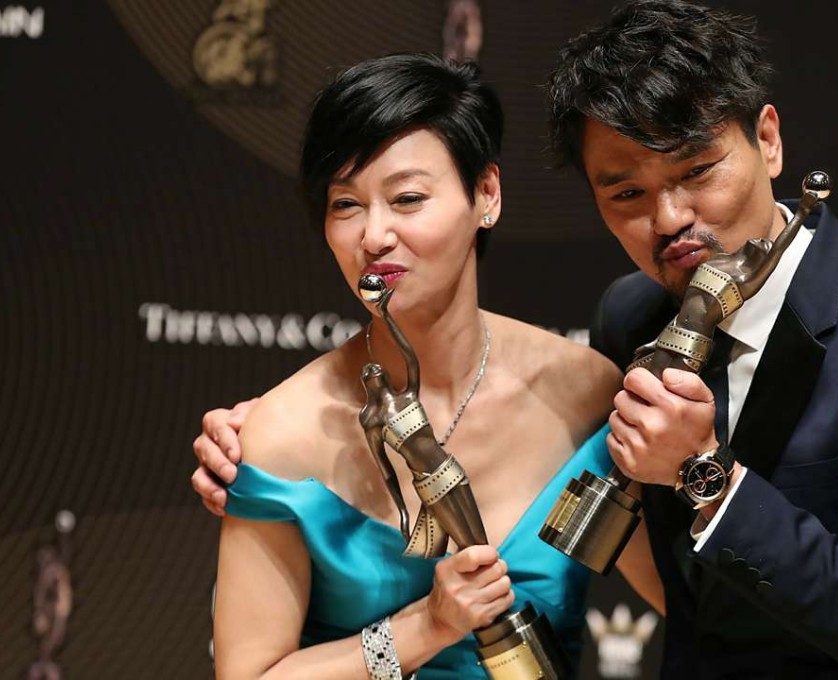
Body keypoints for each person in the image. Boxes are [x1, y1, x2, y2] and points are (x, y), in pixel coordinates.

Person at [196, 2, 838, 678]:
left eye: (696, 171)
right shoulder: (634, 322)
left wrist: (704, 474)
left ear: (768, 140)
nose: (670, 217)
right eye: (628, 192)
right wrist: (412, 625)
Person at [204, 53, 662, 679]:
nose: (375, 235)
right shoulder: (285, 431)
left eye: (408, 198)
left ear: (487, 195)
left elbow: (682, 604)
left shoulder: (583, 394)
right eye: (345, 205)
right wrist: (426, 627)